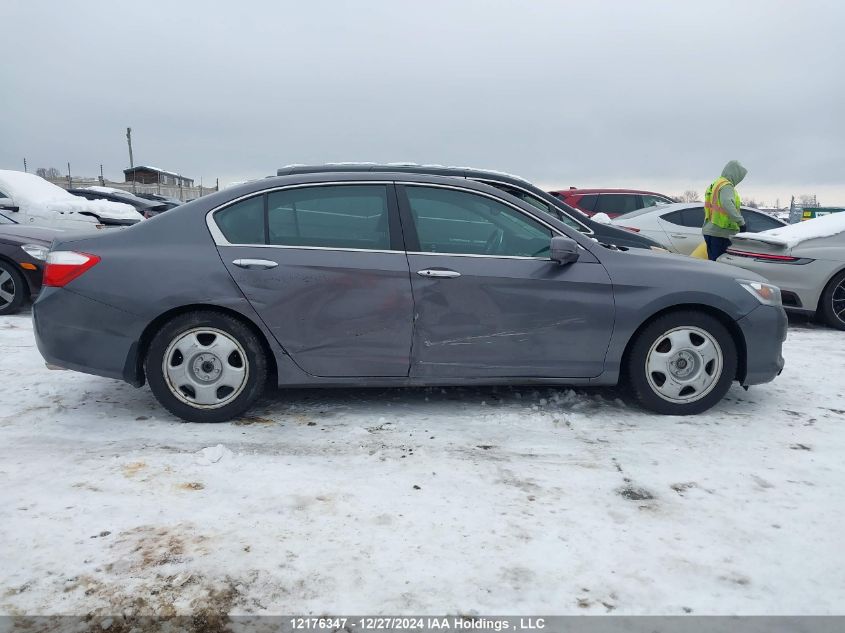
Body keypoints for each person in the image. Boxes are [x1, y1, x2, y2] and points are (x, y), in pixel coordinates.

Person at [702, 160, 747, 261]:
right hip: (721, 233)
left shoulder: (716, 184)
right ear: (735, 174)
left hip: (711, 230)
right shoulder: (726, 186)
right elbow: (727, 203)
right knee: (721, 268)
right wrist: (741, 222)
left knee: (714, 265)